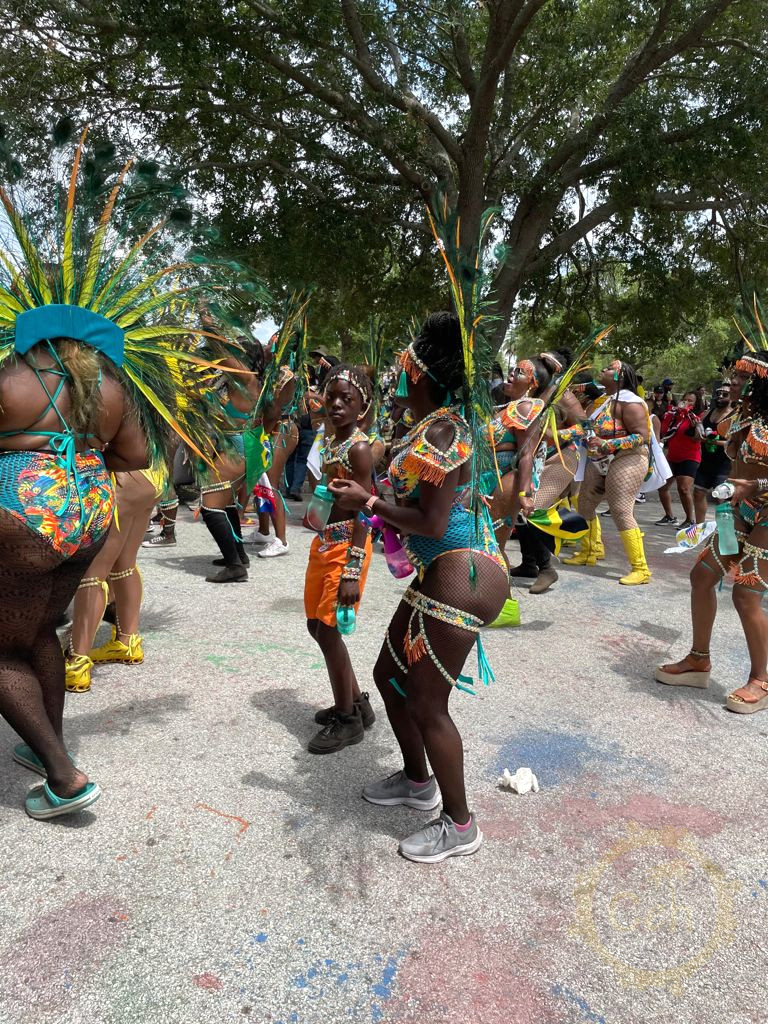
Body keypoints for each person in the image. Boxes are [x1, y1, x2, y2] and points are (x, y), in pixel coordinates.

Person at [330, 312, 508, 863]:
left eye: (402, 364)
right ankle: (416, 781)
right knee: (389, 676)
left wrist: (369, 502)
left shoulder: (444, 432)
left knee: (429, 702)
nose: (395, 374)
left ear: (420, 372)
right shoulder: (426, 426)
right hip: (441, 572)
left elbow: (431, 522)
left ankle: (460, 824)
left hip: (465, 571)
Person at [656, 351, 768, 712]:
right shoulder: (740, 417)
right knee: (702, 576)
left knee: (745, 594)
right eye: (734, 375)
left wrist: (756, 486)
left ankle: (761, 680)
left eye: (743, 378)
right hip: (737, 510)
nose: (733, 382)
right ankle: (698, 660)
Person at [306, 365, 375, 754]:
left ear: (362, 407)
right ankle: (357, 704)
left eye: (346, 399)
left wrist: (352, 569)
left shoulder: (359, 449)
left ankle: (348, 721)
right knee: (316, 626)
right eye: (331, 396)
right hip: (325, 542)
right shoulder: (332, 442)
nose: (335, 404)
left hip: (348, 546)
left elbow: (365, 510)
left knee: (330, 631)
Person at [64, 467, 163, 691]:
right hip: (153, 476)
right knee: (124, 564)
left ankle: (76, 664)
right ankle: (127, 643)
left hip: (124, 480)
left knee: (93, 574)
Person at [560, 360, 652, 584]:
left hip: (628, 457)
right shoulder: (601, 402)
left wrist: (607, 444)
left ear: (620, 376)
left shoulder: (631, 403)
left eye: (609, 368)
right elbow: (585, 429)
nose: (603, 370)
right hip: (598, 460)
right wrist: (557, 435)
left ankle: (641, 569)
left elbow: (642, 436)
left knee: (620, 509)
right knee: (584, 503)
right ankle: (590, 552)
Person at [656, 391, 705, 527]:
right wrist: (672, 414)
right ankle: (669, 516)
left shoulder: (697, 417)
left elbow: (698, 439)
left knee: (683, 489)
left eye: (690, 401)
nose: (686, 403)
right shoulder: (675, 416)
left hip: (689, 457)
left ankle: (690, 520)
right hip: (672, 456)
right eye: (685, 399)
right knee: (662, 487)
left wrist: (695, 426)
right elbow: (664, 431)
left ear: (696, 404)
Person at [693, 381, 733, 524]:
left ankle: (724, 531)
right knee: (698, 493)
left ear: (732, 397)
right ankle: (699, 528)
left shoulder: (733, 416)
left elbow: (732, 443)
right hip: (706, 462)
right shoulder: (708, 413)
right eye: (718, 393)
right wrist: (697, 430)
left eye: (725, 394)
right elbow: (697, 435)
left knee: (722, 498)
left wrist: (712, 441)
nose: (720, 396)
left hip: (723, 465)